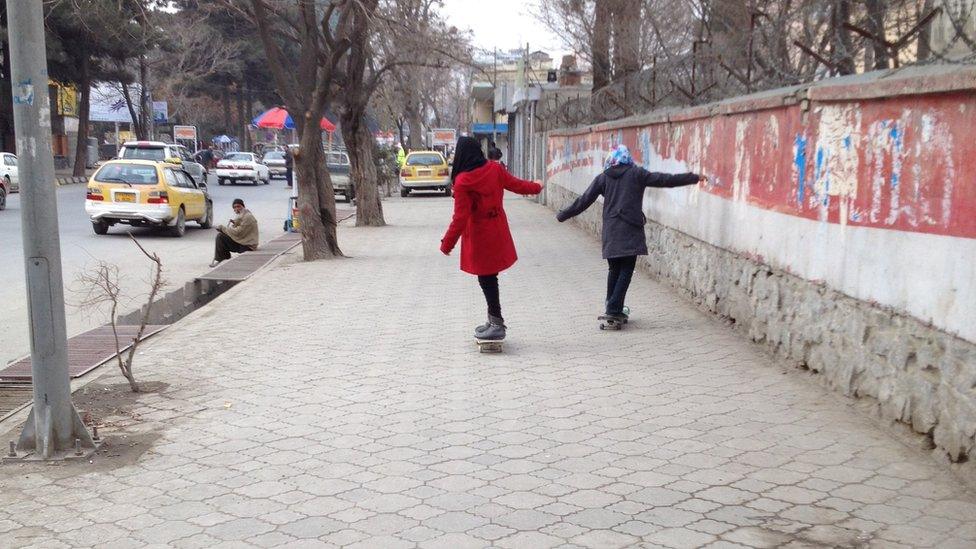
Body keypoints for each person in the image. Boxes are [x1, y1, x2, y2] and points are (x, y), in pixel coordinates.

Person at [556, 145, 707, 321]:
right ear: (627, 158)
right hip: (630, 229)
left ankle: (612, 306)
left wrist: (563, 215)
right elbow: (665, 179)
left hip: (611, 231)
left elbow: (584, 200)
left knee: (614, 268)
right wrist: (694, 177)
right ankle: (613, 308)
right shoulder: (636, 174)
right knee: (626, 269)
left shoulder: (604, 177)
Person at [440, 136, 543, 341]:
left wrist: (447, 244)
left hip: (479, 236)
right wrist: (537, 186)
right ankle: (493, 319)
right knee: (488, 278)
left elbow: (460, 218)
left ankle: (496, 323)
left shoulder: (462, 182)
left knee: (487, 279)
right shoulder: (494, 169)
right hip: (497, 231)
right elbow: (517, 185)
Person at [210, 198, 259, 268]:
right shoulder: (242, 215)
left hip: (248, 245)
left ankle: (224, 258)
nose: (236, 209)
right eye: (235, 207)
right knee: (221, 236)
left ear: (243, 206)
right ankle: (222, 257)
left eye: (238, 206)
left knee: (222, 234)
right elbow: (238, 225)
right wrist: (235, 223)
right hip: (242, 242)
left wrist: (223, 228)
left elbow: (238, 232)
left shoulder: (248, 216)